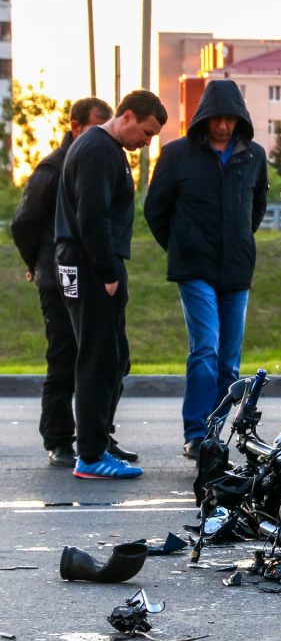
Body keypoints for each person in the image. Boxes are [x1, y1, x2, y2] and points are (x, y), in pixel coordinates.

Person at [144, 79, 268, 460]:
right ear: (205, 118)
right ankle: (195, 434)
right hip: (194, 268)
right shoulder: (177, 154)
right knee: (206, 350)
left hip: (236, 270)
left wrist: (239, 243)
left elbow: (256, 208)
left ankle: (214, 434)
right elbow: (155, 210)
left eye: (231, 119)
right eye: (218, 118)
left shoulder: (254, 155)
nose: (224, 125)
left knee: (230, 361)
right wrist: (182, 248)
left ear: (240, 120)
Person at [55, 89, 167, 479]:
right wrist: (106, 273)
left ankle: (98, 442)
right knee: (98, 360)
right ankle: (90, 454)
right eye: (148, 132)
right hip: (90, 266)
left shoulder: (104, 149)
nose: (147, 142)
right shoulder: (100, 150)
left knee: (115, 357)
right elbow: (93, 216)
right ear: (129, 116)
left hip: (91, 262)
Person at [11, 97, 126, 468]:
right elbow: (23, 223)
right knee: (65, 357)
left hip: (82, 271)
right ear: (75, 126)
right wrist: (36, 264)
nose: (101, 132)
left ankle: (99, 436)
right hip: (57, 275)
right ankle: (60, 439)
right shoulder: (51, 168)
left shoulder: (99, 157)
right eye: (95, 125)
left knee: (110, 357)